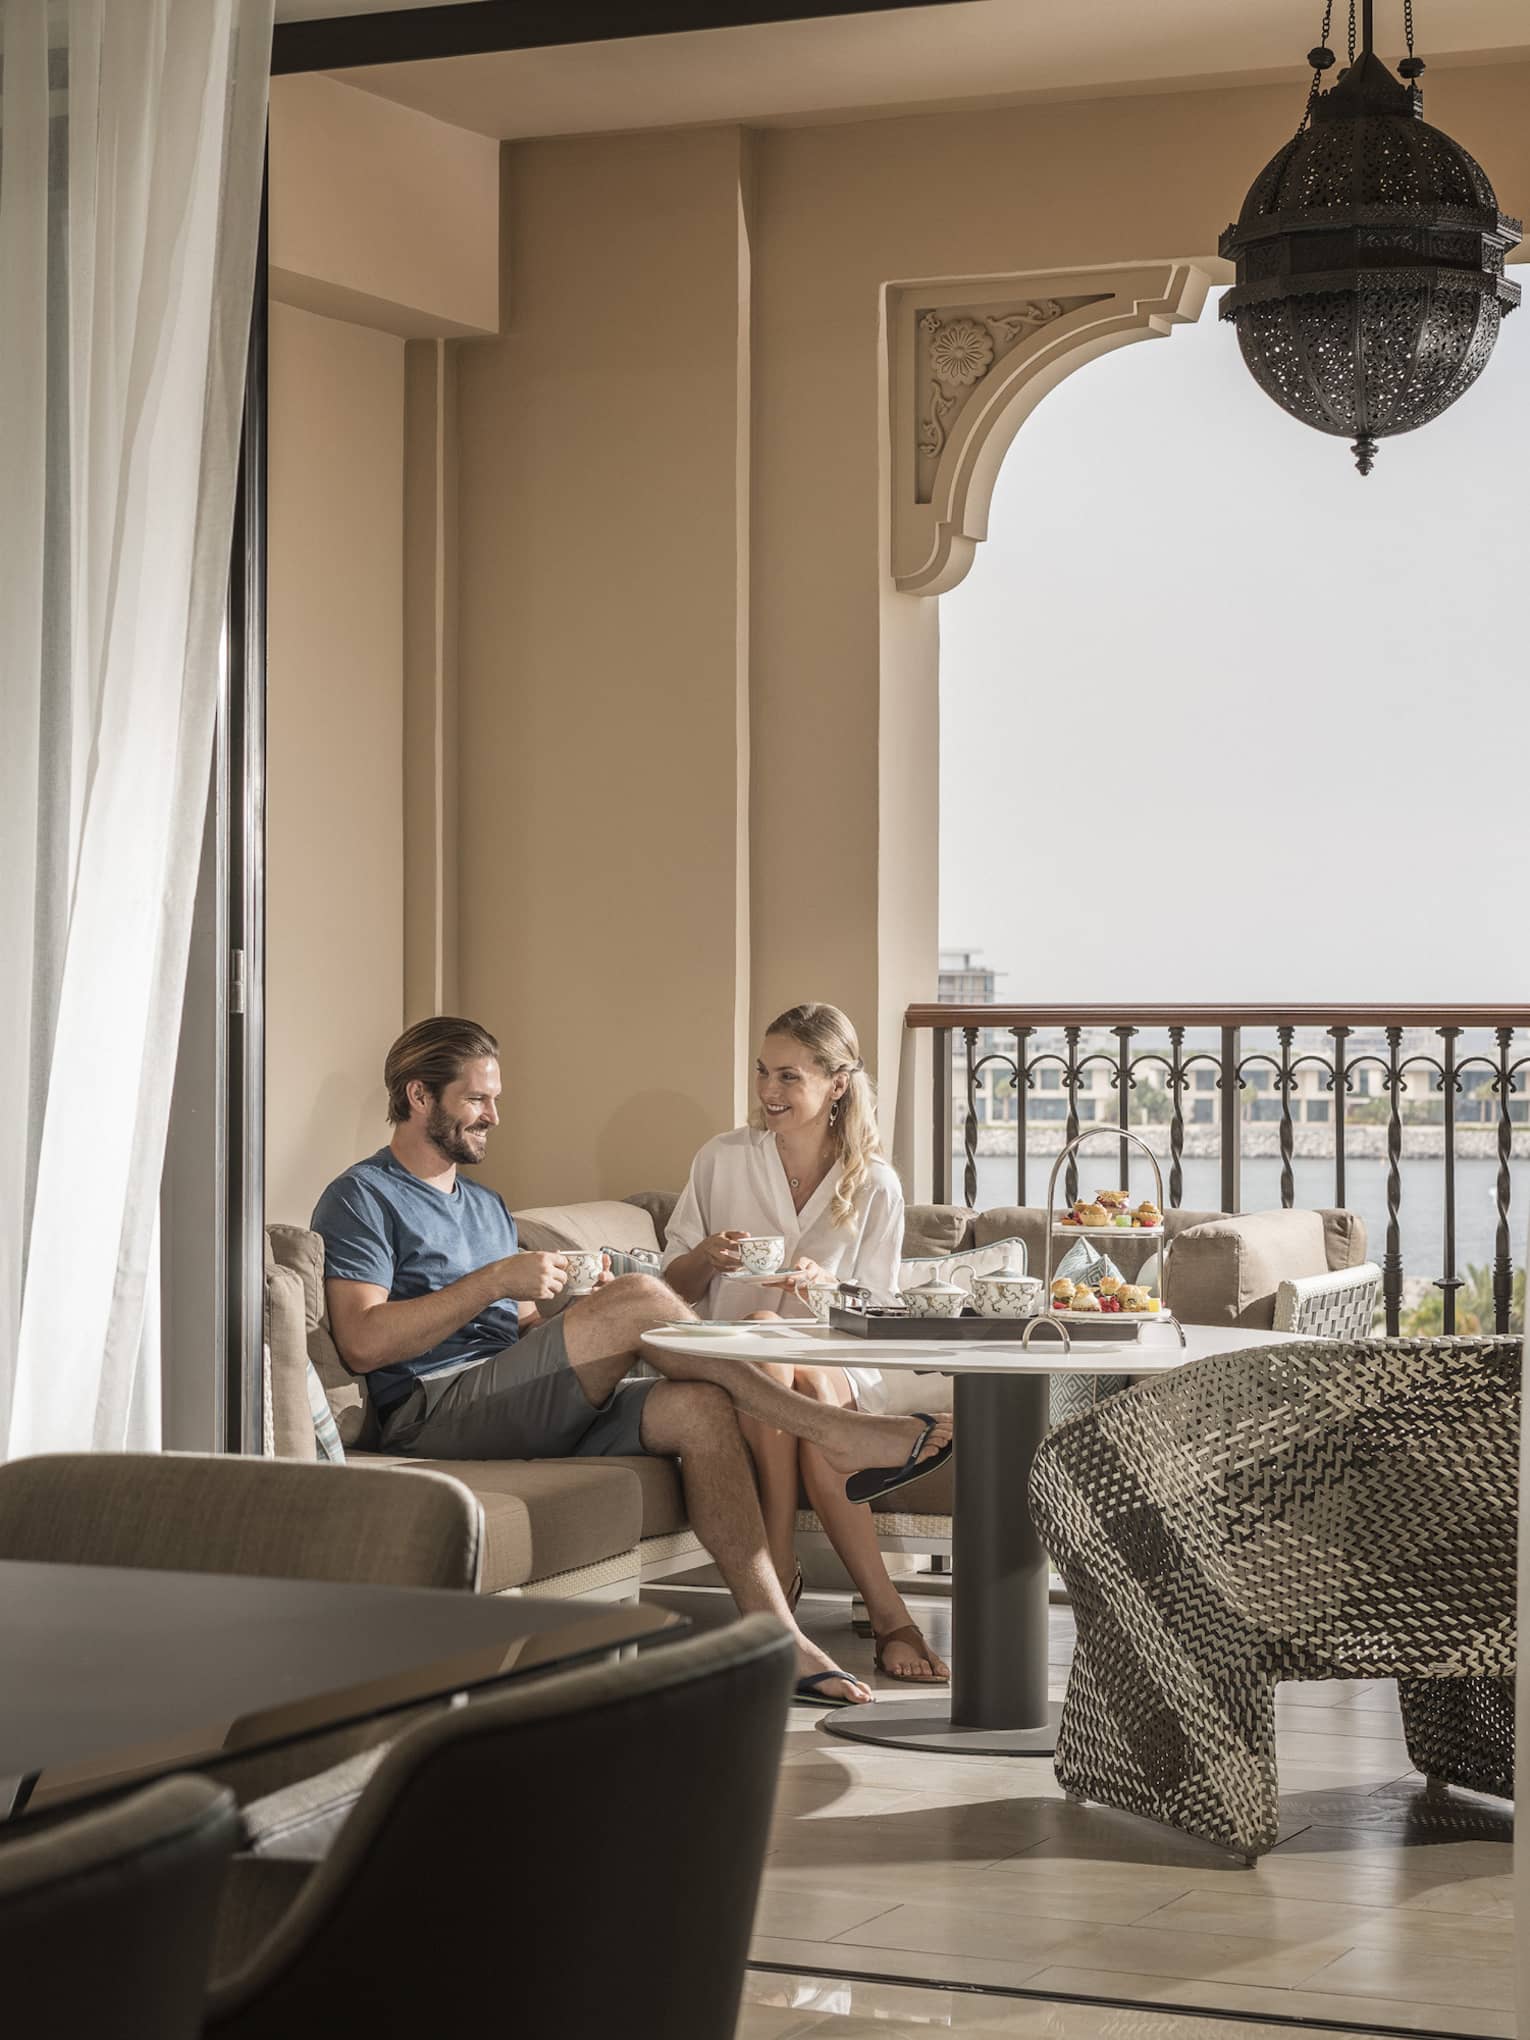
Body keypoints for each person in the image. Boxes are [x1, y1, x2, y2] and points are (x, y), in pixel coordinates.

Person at [311, 1015, 952, 1708]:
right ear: (417, 1097)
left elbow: (518, 1330)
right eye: (476, 1100)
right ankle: (830, 1429)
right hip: (431, 1410)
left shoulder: (483, 1205)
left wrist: (576, 1318)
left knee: (699, 1409)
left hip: (505, 1398)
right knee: (645, 1297)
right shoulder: (362, 1197)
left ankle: (779, 1635)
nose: (494, 1116)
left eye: (495, 1098)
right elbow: (363, 1342)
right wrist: (498, 1282)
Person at [662, 1003, 950, 1686]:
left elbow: (876, 1316)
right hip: (736, 1361)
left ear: (837, 1082)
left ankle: (778, 1575)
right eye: (763, 1073)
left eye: (789, 1077)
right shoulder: (722, 1158)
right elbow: (674, 1287)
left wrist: (829, 1287)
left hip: (837, 1364)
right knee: (769, 1345)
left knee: (805, 1374)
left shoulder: (874, 1183)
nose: (768, 1092)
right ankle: (888, 1616)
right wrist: (707, 1255)